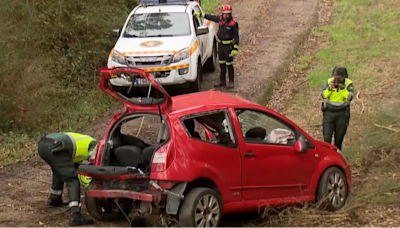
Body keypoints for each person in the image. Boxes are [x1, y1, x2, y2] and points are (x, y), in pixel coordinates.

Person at [37, 132, 97, 226]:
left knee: (59, 171)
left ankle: (54, 199)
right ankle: (75, 215)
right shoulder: (94, 145)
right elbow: (93, 164)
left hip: (43, 144)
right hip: (57, 147)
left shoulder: (85, 140)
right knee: (72, 179)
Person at [194, 4, 239, 88]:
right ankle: (222, 81)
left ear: (230, 14)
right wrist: (200, 14)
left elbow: (236, 36)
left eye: (227, 14)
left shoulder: (233, 24)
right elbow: (212, 18)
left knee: (229, 64)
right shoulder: (220, 19)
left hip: (228, 47)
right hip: (220, 45)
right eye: (224, 14)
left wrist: (235, 48)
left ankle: (231, 81)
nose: (225, 15)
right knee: (221, 64)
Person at [321, 66, 354, 151]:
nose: (336, 80)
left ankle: (337, 155)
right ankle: (327, 154)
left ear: (343, 77)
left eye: (338, 78)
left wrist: (342, 88)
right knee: (327, 138)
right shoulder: (329, 82)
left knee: (339, 138)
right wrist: (330, 88)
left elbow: (350, 97)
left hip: (342, 113)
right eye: (335, 78)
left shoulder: (348, 83)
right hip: (329, 112)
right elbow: (324, 95)